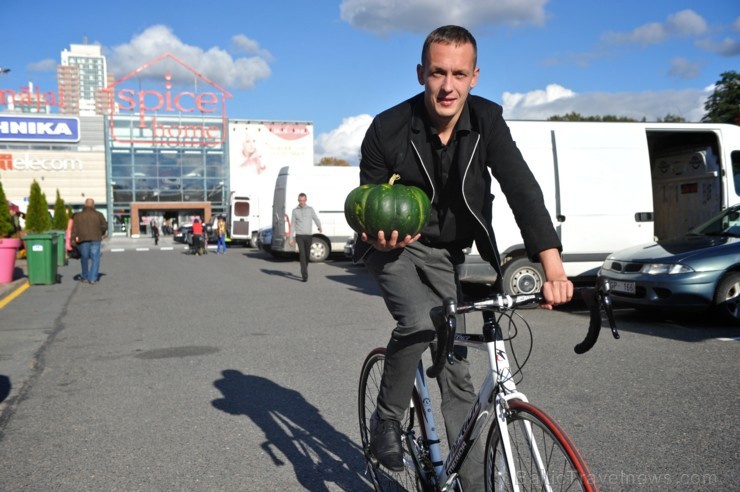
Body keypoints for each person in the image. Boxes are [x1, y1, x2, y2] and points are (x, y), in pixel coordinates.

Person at [354, 26, 573, 490]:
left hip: (448, 253)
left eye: (458, 74)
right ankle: (386, 421)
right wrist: (379, 233)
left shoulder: (488, 121)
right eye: (437, 73)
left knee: (455, 373)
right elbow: (367, 201)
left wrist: (552, 268)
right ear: (421, 74)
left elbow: (522, 190)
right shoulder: (387, 128)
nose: (447, 86)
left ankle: (471, 485)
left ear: (475, 76)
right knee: (417, 319)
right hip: (392, 248)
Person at [72, 198, 108, 284]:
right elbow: (105, 226)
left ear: (85, 205)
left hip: (82, 239)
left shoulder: (78, 216)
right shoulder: (99, 215)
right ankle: (92, 278)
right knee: (95, 258)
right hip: (95, 238)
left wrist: (74, 239)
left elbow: (75, 229)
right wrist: (101, 233)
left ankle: (85, 275)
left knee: (84, 258)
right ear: (93, 205)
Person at [289, 193, 322, 282]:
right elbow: (292, 225)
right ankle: (304, 274)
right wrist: (291, 238)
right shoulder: (295, 211)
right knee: (302, 255)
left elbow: (315, 218)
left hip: (308, 236)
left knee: (307, 255)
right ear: (298, 200)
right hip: (299, 236)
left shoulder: (310, 209)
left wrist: (319, 226)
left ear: (306, 200)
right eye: (300, 200)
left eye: (303, 200)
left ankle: (304, 268)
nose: (302, 202)